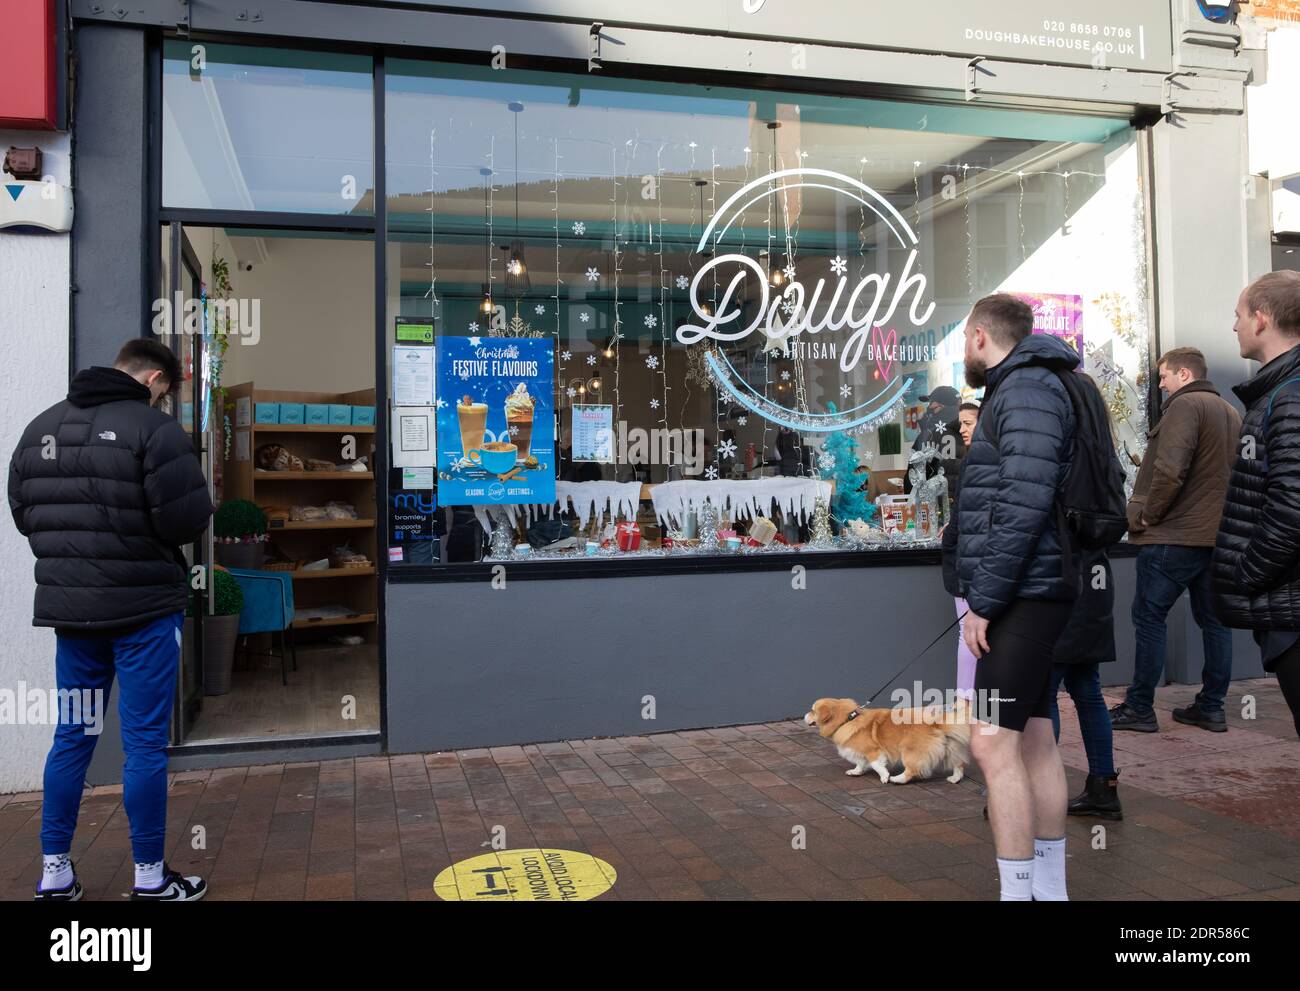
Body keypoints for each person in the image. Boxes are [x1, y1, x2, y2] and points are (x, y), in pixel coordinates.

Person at [8, 338, 215, 901]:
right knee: (144, 743)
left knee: (72, 735)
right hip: (145, 612)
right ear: (152, 379)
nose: (163, 402)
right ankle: (149, 877)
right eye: (166, 393)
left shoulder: (40, 428)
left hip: (74, 617)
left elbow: (26, 515)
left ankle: (55, 874)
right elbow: (186, 520)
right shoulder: (154, 432)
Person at [955, 293, 1083, 901]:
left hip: (1024, 594)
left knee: (990, 741)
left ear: (981, 336)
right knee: (1033, 736)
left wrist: (985, 599)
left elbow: (1022, 506)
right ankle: (1048, 891)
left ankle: (1021, 893)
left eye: (962, 341)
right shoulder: (1025, 385)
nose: (963, 352)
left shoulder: (1026, 389)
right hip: (1031, 590)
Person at [1109, 347, 1241, 733]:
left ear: (1184, 373)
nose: (1161, 383)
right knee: (1216, 623)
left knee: (1149, 619)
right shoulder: (1229, 411)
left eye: (1164, 376)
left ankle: (1139, 708)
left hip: (1174, 537)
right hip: (1214, 538)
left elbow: (1170, 469)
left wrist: (1150, 514)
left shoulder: (1185, 407)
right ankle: (1212, 706)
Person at [1213, 271, 1300, 738]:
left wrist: (1245, 572)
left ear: (1262, 320)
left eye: (1239, 315)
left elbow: (1293, 510)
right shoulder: (1279, 392)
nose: (1234, 326)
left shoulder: (1289, 398)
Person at [1050, 374, 1122, 820]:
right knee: (1086, 688)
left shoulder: (1062, 458)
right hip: (1094, 578)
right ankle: (1103, 784)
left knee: (1041, 694)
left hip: (1060, 580)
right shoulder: (1103, 459)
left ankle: (1042, 789)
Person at [940, 402, 980, 700]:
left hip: (970, 558)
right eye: (961, 424)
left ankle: (965, 697)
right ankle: (968, 697)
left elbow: (970, 510)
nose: (962, 430)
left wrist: (953, 532)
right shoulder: (978, 458)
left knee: (968, 630)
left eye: (968, 423)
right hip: (970, 553)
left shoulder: (978, 460)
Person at [904, 385, 961, 494]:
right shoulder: (971, 431)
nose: (929, 407)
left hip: (937, 501)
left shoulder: (928, 435)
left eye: (933, 404)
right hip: (964, 500)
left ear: (946, 406)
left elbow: (913, 477)